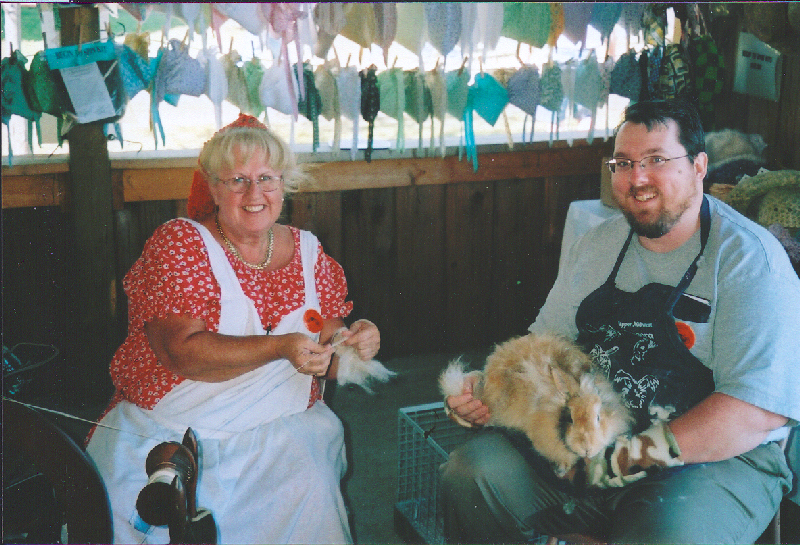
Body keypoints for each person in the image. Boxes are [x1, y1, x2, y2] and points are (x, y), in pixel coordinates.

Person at [441, 99, 800, 544]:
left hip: (710, 462)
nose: (637, 179)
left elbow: (754, 412)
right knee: (471, 474)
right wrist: (485, 391)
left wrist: (628, 459)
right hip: (590, 443)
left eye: (656, 160)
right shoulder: (597, 245)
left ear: (699, 166)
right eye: (623, 163)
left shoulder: (750, 261)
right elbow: (542, 347)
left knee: (664, 537)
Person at [86, 113, 381, 544]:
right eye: (237, 179)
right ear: (213, 187)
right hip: (174, 432)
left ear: (284, 184)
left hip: (282, 428)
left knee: (310, 498)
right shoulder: (181, 244)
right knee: (143, 517)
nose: (254, 193)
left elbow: (329, 351)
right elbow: (181, 353)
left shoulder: (311, 254)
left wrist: (355, 343)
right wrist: (280, 347)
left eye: (267, 178)